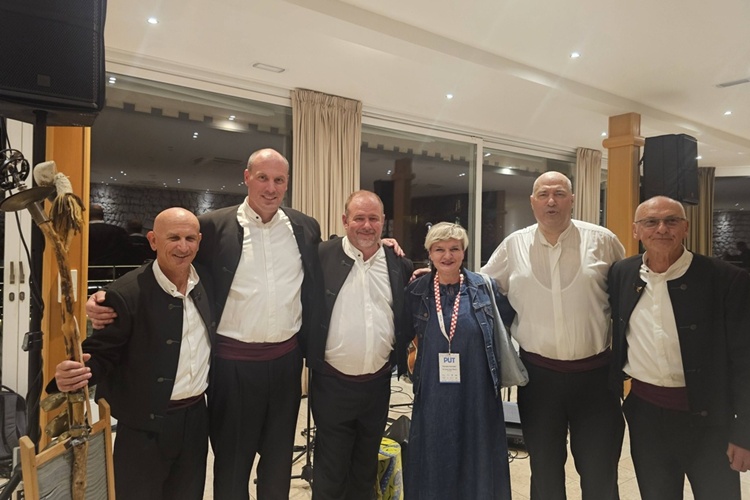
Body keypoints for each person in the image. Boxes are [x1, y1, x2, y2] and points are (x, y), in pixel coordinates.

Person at [87, 148, 323, 500]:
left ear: (287, 183)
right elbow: (173, 263)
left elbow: (325, 268)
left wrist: (384, 246)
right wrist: (109, 295)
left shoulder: (305, 227)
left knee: (278, 463)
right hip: (232, 366)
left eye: (279, 180)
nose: (271, 187)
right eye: (262, 177)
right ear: (247, 177)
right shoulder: (212, 226)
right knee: (232, 464)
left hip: (286, 363)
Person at [482, 171, 625, 500]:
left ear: (572, 200)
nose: (551, 201)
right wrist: (439, 275)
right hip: (538, 379)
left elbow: (632, 286)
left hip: (596, 379)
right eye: (543, 194)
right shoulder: (514, 245)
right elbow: (481, 287)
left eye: (559, 194)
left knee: (600, 470)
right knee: (544, 471)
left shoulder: (603, 240)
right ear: (532, 201)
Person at [53, 207, 213, 500]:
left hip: (195, 420)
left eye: (190, 238)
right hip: (142, 427)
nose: (183, 246)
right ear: (153, 240)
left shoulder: (208, 284)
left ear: (200, 241)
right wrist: (76, 373)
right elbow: (102, 354)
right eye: (173, 238)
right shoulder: (126, 293)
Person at [608, 195, 750, 500]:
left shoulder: (726, 279)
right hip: (646, 416)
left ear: (685, 228)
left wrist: (744, 433)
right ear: (636, 230)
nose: (661, 228)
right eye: (651, 222)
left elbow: (745, 361)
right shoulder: (622, 273)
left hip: (710, 420)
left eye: (671, 221)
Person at [308, 190, 413, 499]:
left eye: (374, 219)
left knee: (366, 468)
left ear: (383, 222)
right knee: (331, 470)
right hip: (332, 384)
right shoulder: (320, 256)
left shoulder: (398, 264)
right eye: (359, 218)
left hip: (377, 385)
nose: (367, 226)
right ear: (345, 220)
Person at [402, 222, 512, 500]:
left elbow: (509, 323)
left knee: (477, 450)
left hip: (477, 388)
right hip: (434, 390)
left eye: (454, 248)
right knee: (435, 450)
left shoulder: (485, 288)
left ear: (464, 252)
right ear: (429, 253)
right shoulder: (416, 291)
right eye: (439, 249)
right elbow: (403, 333)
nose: (447, 256)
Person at [88, 203, 133, 281]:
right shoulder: (119, 231)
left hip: (88, 273)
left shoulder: (82, 234)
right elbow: (127, 252)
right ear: (102, 215)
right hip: (112, 273)